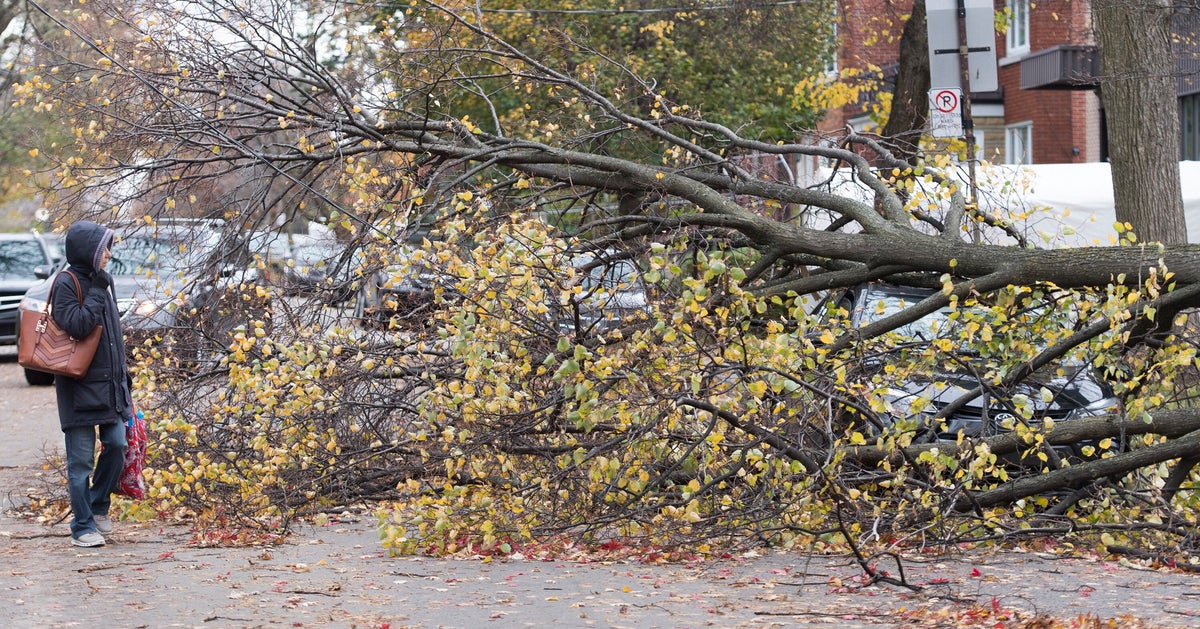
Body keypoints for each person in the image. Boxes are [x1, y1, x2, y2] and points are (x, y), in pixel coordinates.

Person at [51, 220, 133, 548]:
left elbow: (114, 340)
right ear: (89, 251)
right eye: (104, 249)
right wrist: (98, 290)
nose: (109, 255)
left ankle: (99, 507)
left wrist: (126, 384)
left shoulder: (103, 281)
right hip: (79, 387)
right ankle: (82, 525)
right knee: (81, 462)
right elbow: (79, 326)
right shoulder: (67, 283)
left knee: (117, 445)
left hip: (110, 388)